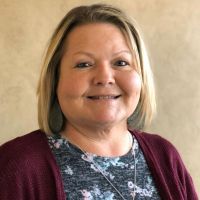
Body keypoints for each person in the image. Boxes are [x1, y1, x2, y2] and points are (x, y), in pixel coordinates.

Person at [0, 4, 198, 200]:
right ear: (55, 79)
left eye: (121, 62)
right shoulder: (14, 167)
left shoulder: (165, 156)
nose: (104, 78)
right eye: (84, 64)